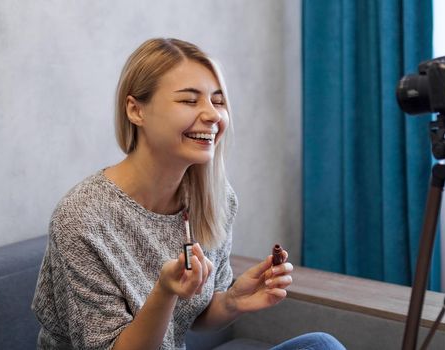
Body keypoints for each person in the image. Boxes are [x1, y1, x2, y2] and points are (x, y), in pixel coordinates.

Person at [31, 38, 345, 350]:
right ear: (136, 110)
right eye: (189, 100)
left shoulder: (214, 200)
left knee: (320, 345)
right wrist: (164, 293)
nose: (213, 115)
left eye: (218, 101)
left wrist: (233, 301)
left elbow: (196, 316)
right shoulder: (82, 217)